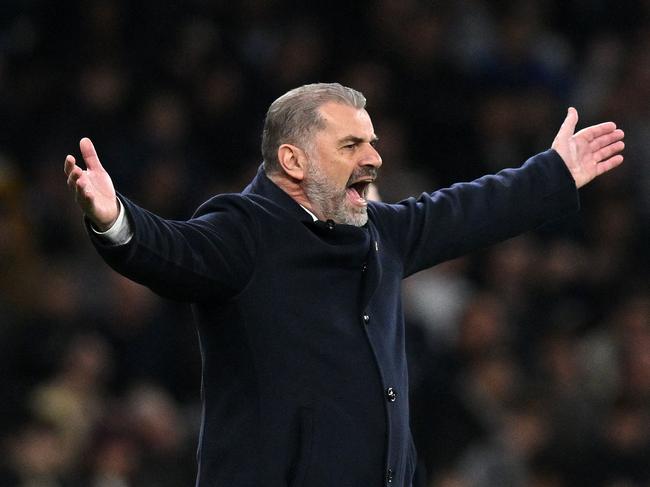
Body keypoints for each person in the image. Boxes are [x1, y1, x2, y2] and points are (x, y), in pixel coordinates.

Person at [64, 83, 624, 487]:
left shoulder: (378, 232)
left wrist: (552, 173)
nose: (374, 159)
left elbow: (464, 211)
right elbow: (171, 251)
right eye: (351, 146)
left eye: (372, 142)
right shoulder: (246, 230)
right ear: (293, 160)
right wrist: (116, 217)